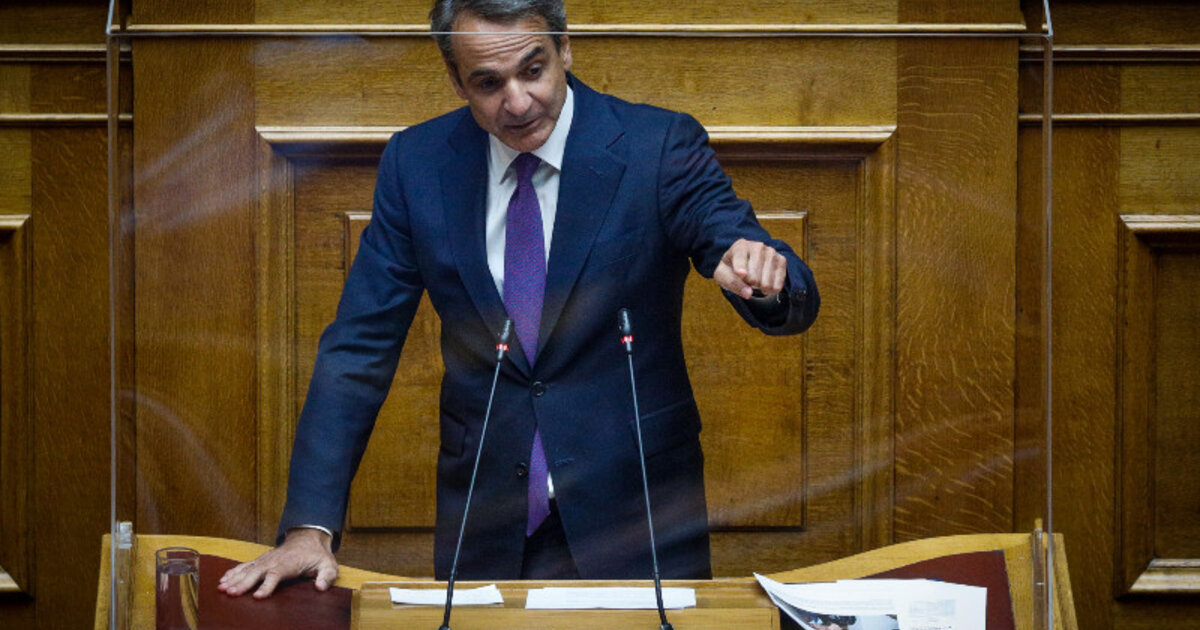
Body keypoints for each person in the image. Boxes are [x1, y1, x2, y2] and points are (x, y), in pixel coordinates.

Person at [219, 0, 818, 599]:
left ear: (564, 49)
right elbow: (359, 347)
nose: (518, 102)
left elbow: (747, 250)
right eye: (488, 83)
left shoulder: (656, 146)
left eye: (533, 71)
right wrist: (310, 525)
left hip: (638, 517)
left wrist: (766, 279)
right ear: (457, 80)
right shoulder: (417, 164)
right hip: (487, 523)